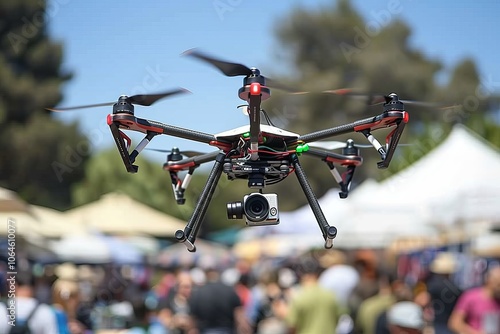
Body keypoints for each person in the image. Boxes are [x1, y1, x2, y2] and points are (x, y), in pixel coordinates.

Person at [278, 256, 342, 334]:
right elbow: (338, 317)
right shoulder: (331, 295)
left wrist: (283, 313)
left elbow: (292, 325)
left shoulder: (299, 297)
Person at [188, 265, 251, 334]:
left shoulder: (198, 293)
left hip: (205, 330)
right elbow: (239, 315)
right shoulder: (230, 290)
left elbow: (192, 318)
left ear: (206, 276)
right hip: (227, 330)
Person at [448, 266, 500, 334]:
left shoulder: (497, 301)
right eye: (498, 284)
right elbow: (454, 323)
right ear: (489, 280)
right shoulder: (471, 297)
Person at [425, 252, 461, 334]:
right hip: (451, 325)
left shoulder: (433, 285)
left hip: (438, 323)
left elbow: (423, 300)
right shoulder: (456, 288)